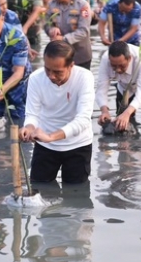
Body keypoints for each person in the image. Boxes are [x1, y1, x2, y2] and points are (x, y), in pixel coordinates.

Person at [20, 41, 94, 184]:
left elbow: (83, 120)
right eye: (48, 69)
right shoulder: (36, 78)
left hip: (77, 145)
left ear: (71, 66)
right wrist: (29, 128)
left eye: (58, 72)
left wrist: (50, 136)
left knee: (75, 196)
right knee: (39, 188)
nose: (51, 76)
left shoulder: (85, 77)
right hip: (45, 146)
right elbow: (32, 114)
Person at [96, 41, 141, 131]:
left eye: (122, 66)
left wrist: (127, 113)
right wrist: (104, 111)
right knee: (120, 121)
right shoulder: (105, 59)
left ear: (129, 58)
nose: (118, 70)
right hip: (124, 86)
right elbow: (101, 88)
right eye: (114, 66)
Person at [45, 0, 93, 69]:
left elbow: (83, 31)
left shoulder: (83, 6)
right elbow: (46, 24)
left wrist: (63, 39)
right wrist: (51, 30)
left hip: (80, 56)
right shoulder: (51, 4)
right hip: (59, 57)